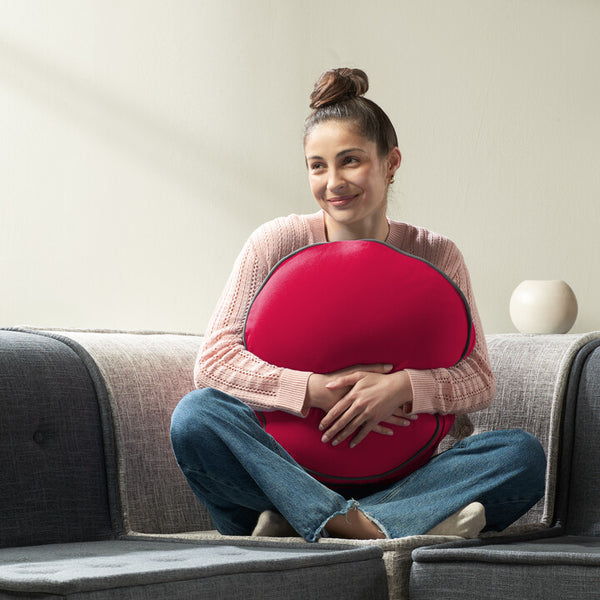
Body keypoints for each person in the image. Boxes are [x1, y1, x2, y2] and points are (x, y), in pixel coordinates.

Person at [170, 67, 546, 542]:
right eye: (317, 165)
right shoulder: (275, 241)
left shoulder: (435, 253)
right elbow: (216, 362)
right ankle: (368, 524)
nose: (333, 182)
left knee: (521, 454)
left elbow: (478, 379)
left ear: (391, 162)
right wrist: (315, 389)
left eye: (350, 161)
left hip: (407, 473)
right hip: (285, 470)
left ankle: (319, 522)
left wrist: (401, 388)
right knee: (197, 416)